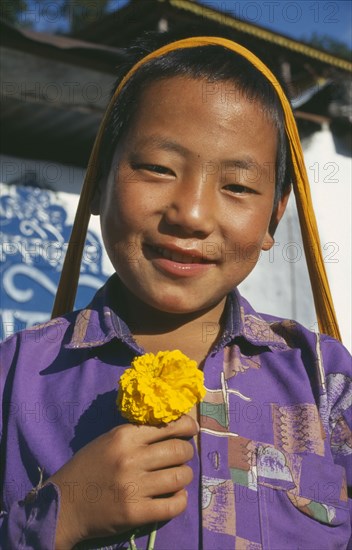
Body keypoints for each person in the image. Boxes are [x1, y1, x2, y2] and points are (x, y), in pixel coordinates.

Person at [0, 34, 351, 550]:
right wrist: (57, 516)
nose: (190, 214)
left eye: (237, 186)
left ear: (273, 217)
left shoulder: (326, 384)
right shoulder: (14, 378)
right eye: (158, 169)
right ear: (97, 183)